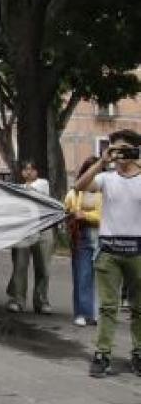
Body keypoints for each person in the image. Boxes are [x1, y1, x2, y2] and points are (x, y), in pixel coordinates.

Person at [74, 128, 141, 378]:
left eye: (125, 149)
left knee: (139, 307)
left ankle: (138, 352)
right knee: (108, 307)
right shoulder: (107, 178)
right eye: (116, 149)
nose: (120, 154)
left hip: (137, 250)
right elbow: (80, 185)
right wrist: (102, 162)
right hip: (109, 249)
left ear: (135, 150)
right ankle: (102, 354)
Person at [6, 160, 54, 314]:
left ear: (37, 172)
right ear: (21, 172)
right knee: (19, 266)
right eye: (25, 169)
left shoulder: (42, 183)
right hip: (23, 230)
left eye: (32, 169)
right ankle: (17, 300)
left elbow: (32, 193)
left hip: (43, 228)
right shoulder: (18, 188)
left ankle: (41, 301)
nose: (28, 172)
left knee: (44, 267)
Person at [64, 156, 102, 327]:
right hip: (82, 235)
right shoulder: (75, 192)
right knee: (82, 275)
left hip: (102, 236)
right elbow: (67, 209)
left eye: (97, 170)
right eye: (89, 170)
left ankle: (93, 312)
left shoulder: (105, 190)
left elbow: (104, 216)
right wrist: (72, 214)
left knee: (100, 278)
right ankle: (82, 313)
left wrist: (85, 215)